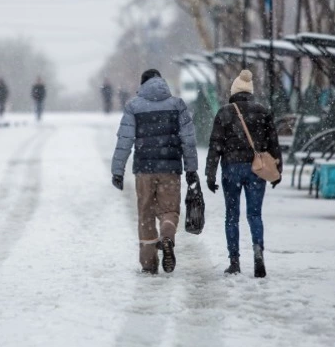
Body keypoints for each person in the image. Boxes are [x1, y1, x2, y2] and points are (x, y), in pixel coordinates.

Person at [111, 69, 199, 275]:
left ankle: (149, 263)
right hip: (170, 169)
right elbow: (188, 140)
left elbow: (124, 140)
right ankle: (167, 236)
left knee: (146, 214)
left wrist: (118, 170)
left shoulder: (133, 106)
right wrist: (191, 169)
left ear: (142, 85)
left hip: (144, 171)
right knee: (169, 209)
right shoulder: (177, 105)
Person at [205, 70, 282, 278]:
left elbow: (215, 146)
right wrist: (277, 170)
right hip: (256, 169)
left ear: (234, 92)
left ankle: (234, 261)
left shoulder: (224, 112)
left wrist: (210, 174)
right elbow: (273, 144)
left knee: (232, 216)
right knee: (255, 214)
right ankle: (258, 253)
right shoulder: (263, 112)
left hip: (231, 168)